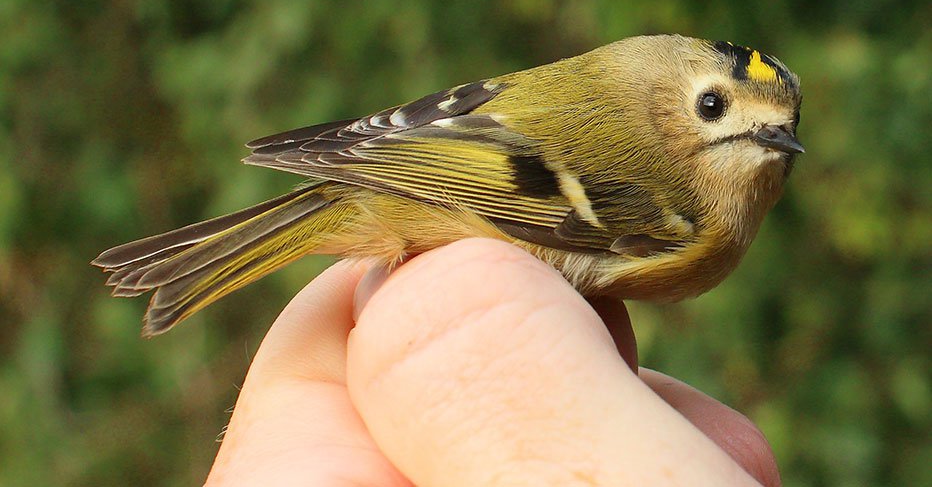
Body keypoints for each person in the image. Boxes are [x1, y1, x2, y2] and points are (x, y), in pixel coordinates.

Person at [204, 238, 781, 486]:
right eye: (713, 106)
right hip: (450, 191)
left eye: (786, 131)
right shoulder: (687, 209)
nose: (768, 139)